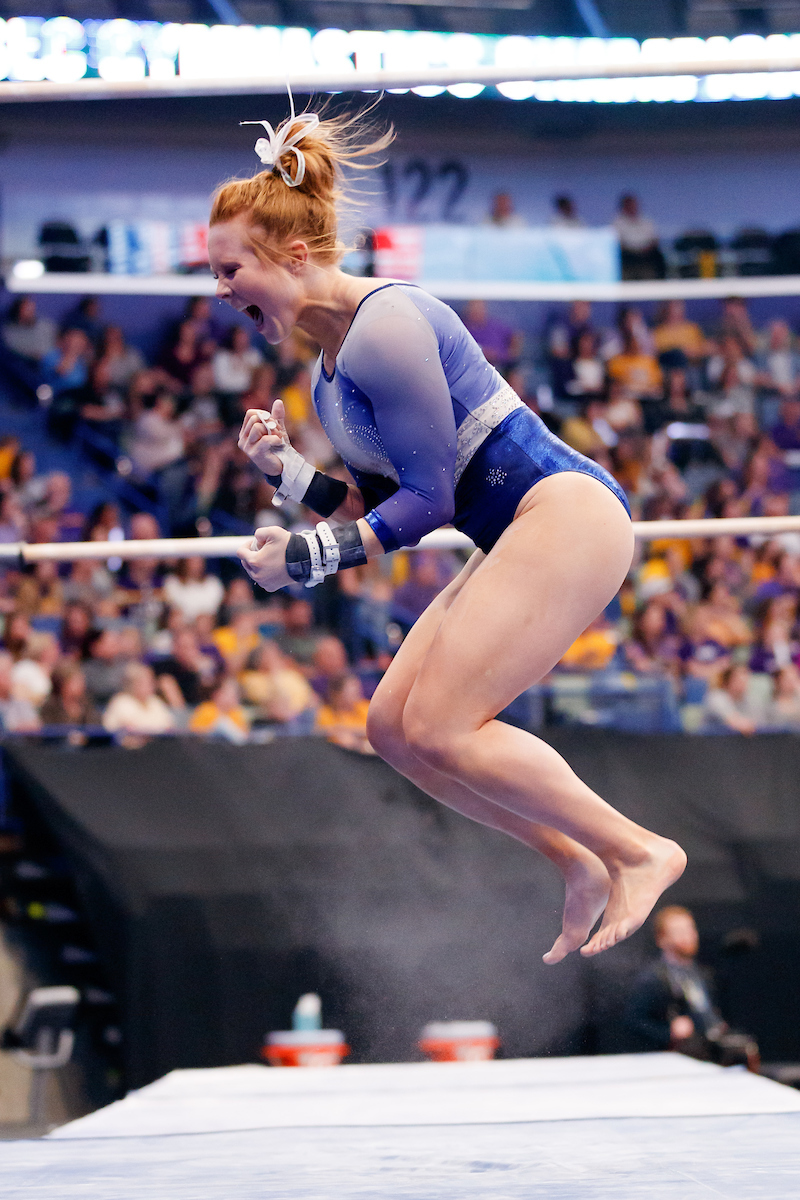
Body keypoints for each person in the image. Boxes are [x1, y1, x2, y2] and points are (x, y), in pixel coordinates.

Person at [210, 103, 686, 963]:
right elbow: (373, 509)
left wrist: (306, 560)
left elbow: (426, 504)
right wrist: (284, 474)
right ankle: (574, 857)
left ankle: (639, 848)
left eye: (229, 268)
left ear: (295, 255)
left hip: (564, 512)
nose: (219, 290)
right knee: (392, 728)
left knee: (439, 722)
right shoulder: (325, 379)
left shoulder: (387, 328)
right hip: (512, 530)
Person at [624, 906, 759, 1069]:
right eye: (679, 932)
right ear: (662, 939)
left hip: (710, 1052)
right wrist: (668, 1032)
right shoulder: (654, 979)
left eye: (690, 929)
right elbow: (634, 1021)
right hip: (679, 1059)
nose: (688, 936)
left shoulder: (702, 973)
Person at [613, 194, 664, 281]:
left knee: (659, 256)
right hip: (628, 254)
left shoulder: (646, 220)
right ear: (624, 207)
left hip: (646, 253)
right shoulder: (617, 222)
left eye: (634, 205)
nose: (632, 207)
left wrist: (645, 249)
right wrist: (633, 250)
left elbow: (654, 239)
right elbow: (617, 242)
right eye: (629, 205)